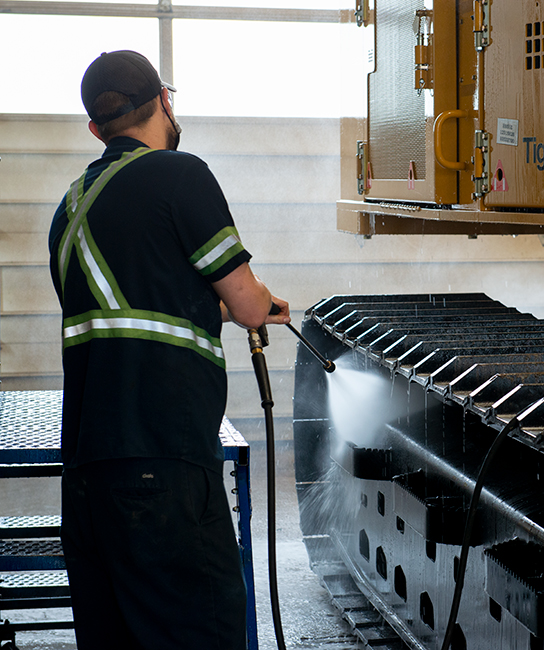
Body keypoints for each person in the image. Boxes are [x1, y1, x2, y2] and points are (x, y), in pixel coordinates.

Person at [48, 50, 290, 649]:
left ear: (95, 129)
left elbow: (132, 307)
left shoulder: (69, 208)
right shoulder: (180, 174)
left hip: (85, 478)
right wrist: (253, 300)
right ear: (163, 102)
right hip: (162, 468)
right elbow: (248, 304)